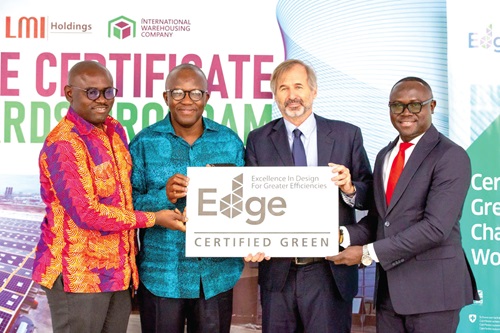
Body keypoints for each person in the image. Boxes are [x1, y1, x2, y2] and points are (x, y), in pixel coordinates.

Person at [32, 60, 186, 333]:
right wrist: (154, 218)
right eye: (91, 92)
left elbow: (125, 195)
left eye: (108, 92)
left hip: (119, 273)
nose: (102, 100)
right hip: (78, 274)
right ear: (70, 93)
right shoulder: (64, 144)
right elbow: (87, 213)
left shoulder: (115, 132)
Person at [331, 77, 479, 333]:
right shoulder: (384, 156)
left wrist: (367, 253)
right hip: (390, 294)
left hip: (434, 295)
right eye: (397, 105)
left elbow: (435, 228)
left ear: (432, 106)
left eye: (415, 105)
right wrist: (341, 235)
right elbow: (380, 220)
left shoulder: (451, 156)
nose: (406, 112)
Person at [244, 59, 373, 333]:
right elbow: (249, 201)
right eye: (283, 88)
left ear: (313, 91)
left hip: (328, 270)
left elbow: (369, 195)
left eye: (299, 87)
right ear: (275, 95)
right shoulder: (258, 139)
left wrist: (349, 188)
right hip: (278, 271)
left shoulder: (347, 135)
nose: (292, 95)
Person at [129, 63, 245, 333]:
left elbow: (247, 199)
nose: (186, 101)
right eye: (178, 93)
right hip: (162, 274)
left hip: (216, 275)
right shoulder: (144, 143)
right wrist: (163, 196)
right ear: (166, 97)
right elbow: (127, 205)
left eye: (195, 93)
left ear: (206, 98)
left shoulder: (229, 142)